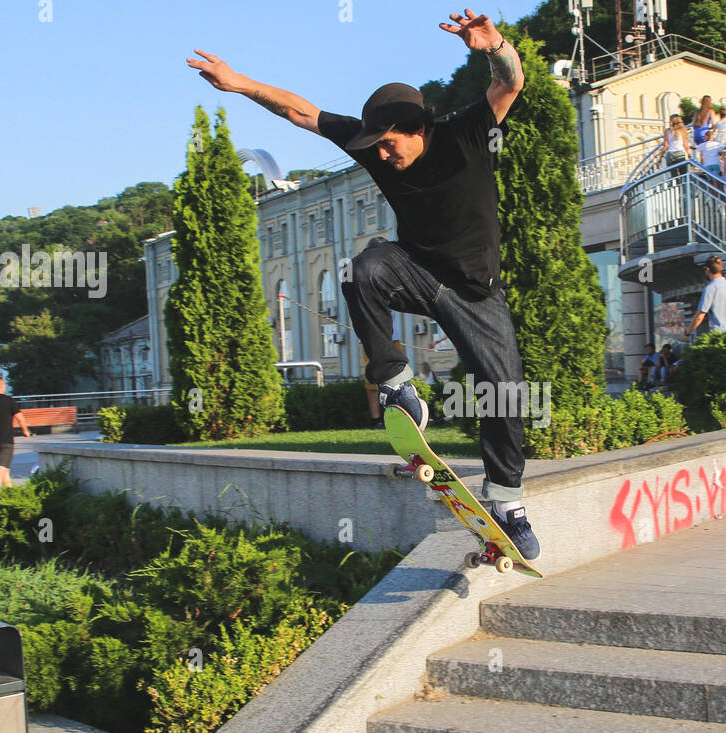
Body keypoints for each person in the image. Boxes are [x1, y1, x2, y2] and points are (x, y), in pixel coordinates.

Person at [187, 9, 541, 559]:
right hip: (418, 273)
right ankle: (397, 382)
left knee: (506, 393)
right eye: (373, 145)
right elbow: (303, 113)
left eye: (389, 144)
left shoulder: (467, 132)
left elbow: (509, 82)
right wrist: (241, 84)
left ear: (419, 130)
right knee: (364, 268)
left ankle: (508, 503)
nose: (379, 155)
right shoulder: (372, 143)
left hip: (476, 292)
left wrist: (494, 45)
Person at [687, 256, 726, 338]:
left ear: (708, 270)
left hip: (720, 335)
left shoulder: (710, 288)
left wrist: (687, 333)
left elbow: (700, 316)